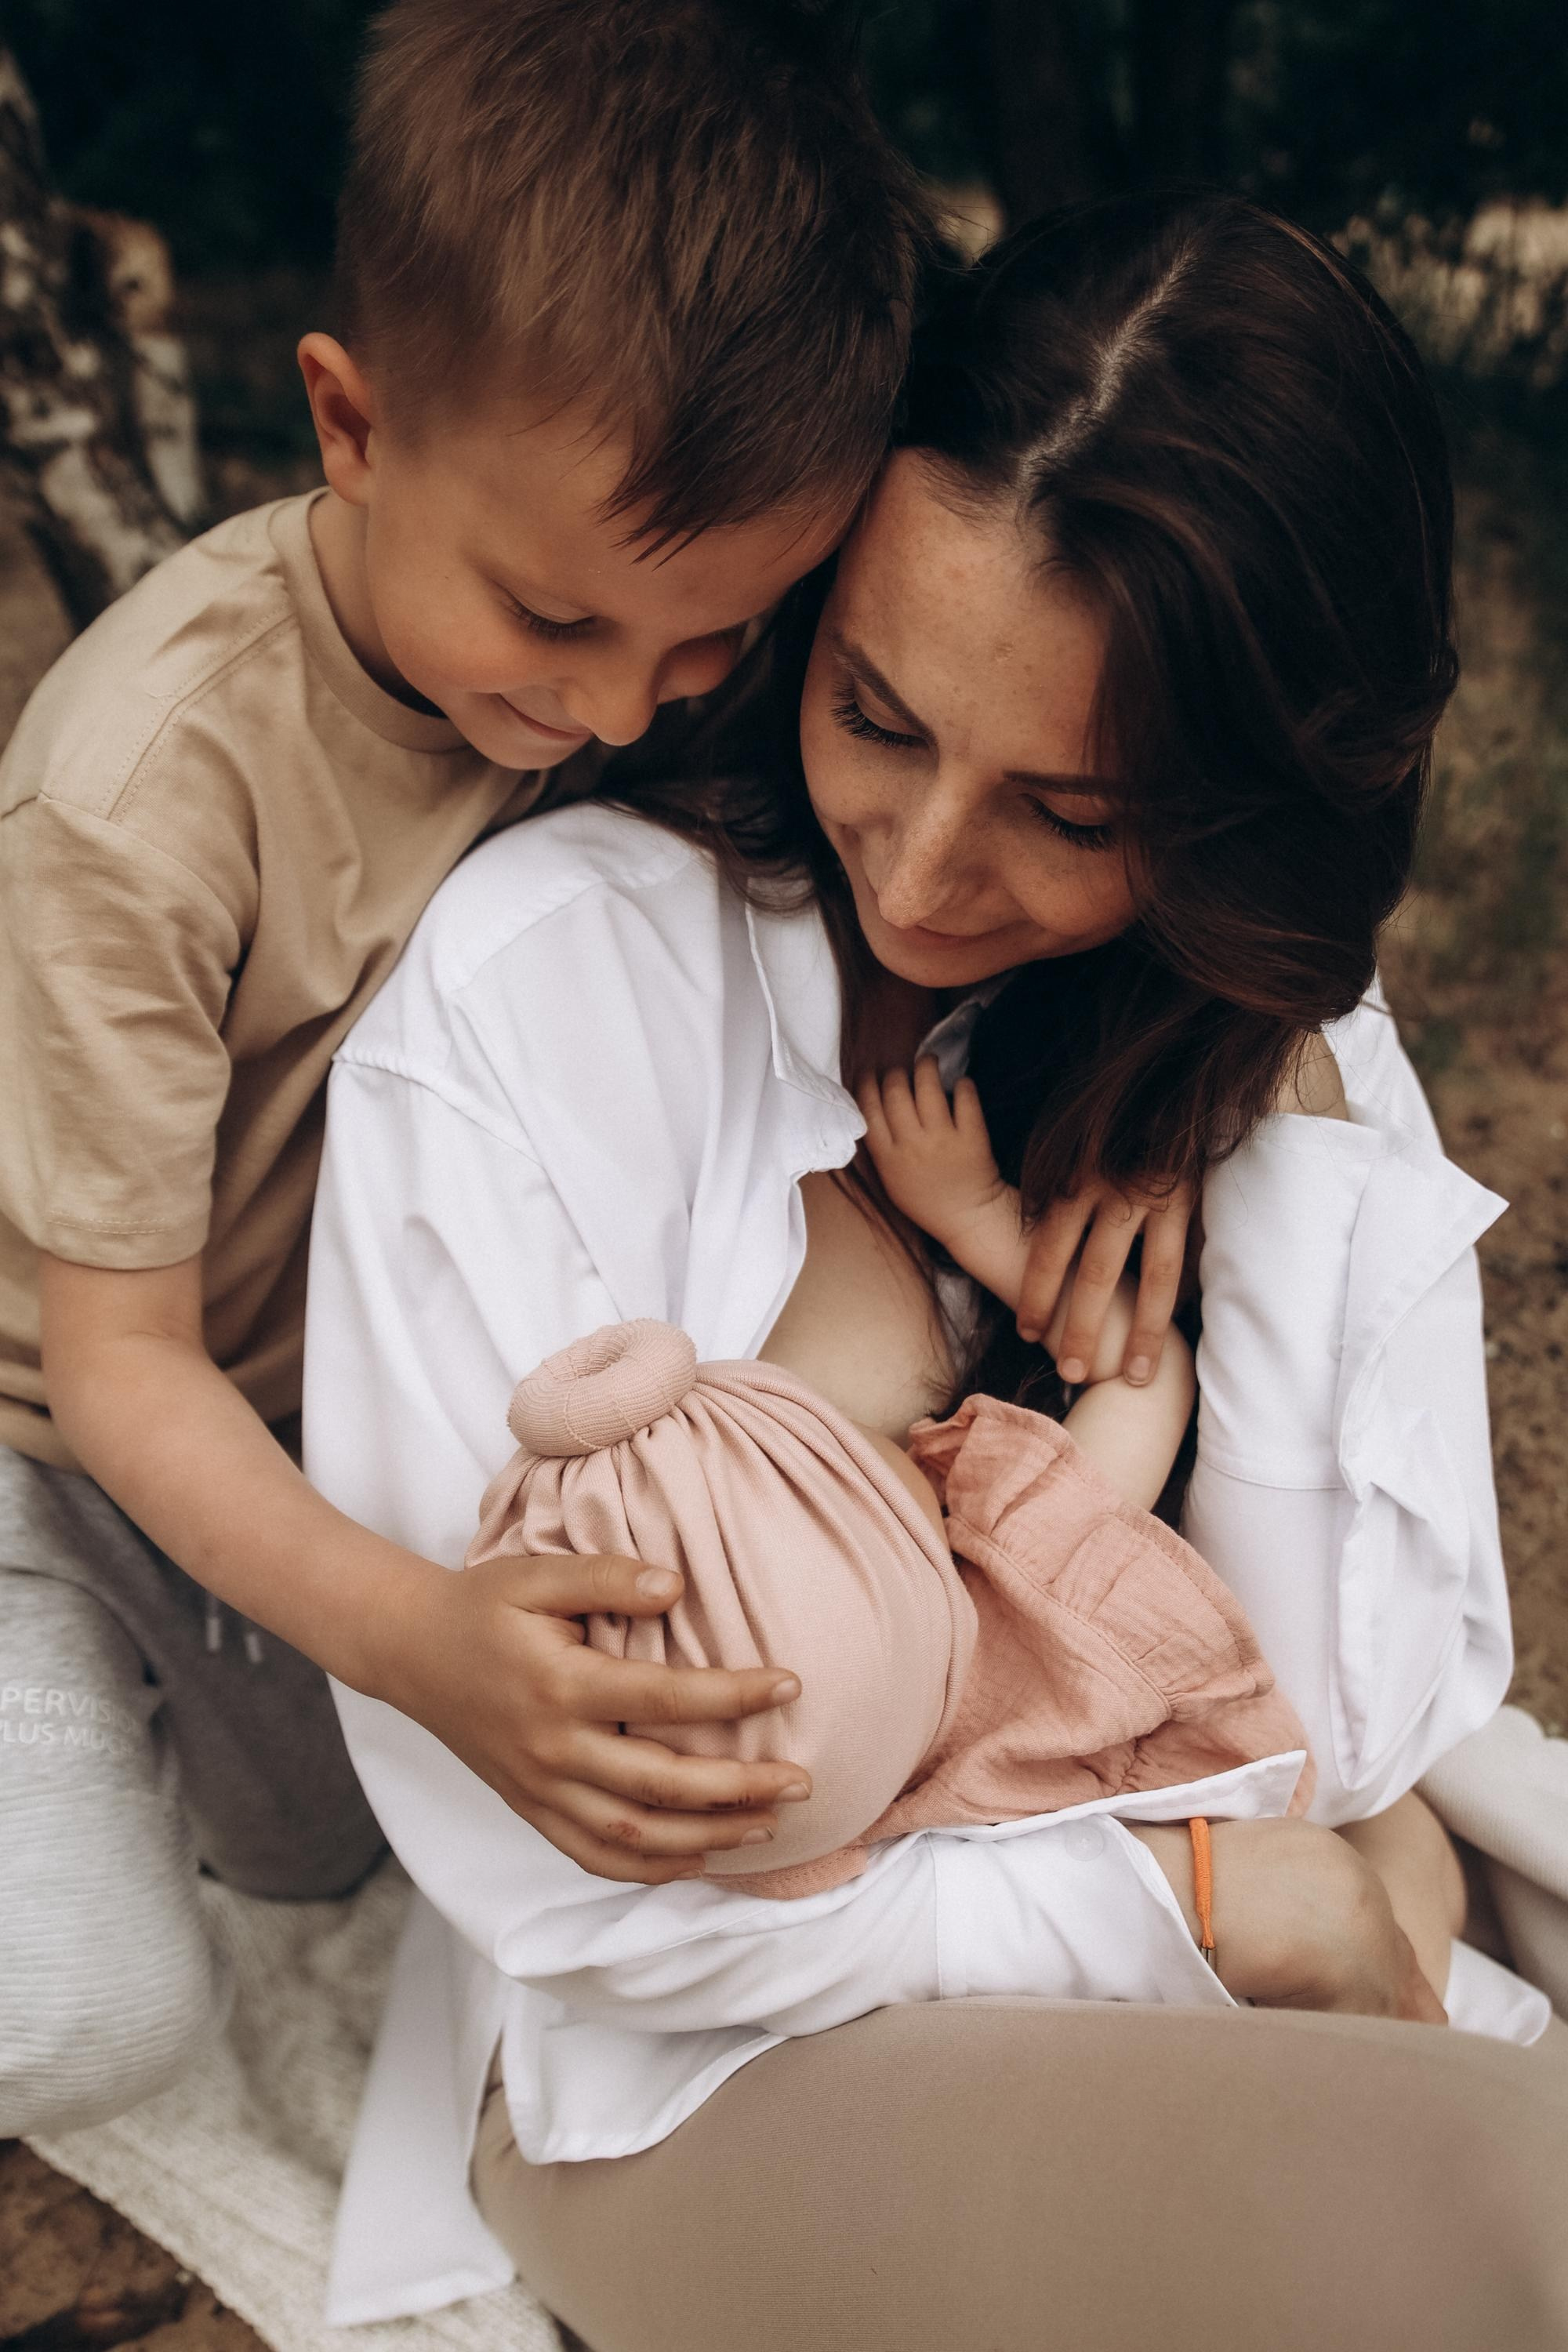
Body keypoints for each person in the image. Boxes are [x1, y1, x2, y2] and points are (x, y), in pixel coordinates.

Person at [305, 192, 1566, 2350]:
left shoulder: (1267, 1056)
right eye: (876, 714)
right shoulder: (554, 999)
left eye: (1072, 815)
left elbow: (1355, 1730)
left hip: (1223, 1958)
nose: (921, 864)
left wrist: (1272, 1134)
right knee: (1501, 2209)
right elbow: (591, 1886)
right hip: (714, 2061)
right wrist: (1195, 1903)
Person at [0, 0, 943, 2136]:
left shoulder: (629, 661)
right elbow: (120, 1370)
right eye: (554, 622)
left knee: (334, 1885)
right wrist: (418, 1636)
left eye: (708, 641)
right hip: (53, 1443)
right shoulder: (143, 798)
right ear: (346, 423)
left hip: (323, 1428)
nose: (624, 708)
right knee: (91, 2008)